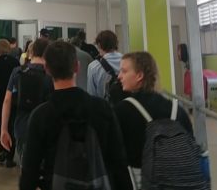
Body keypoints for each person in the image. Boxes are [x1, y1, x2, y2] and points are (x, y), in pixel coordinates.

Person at [19, 41, 133, 190]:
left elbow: (29, 171)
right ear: (77, 67)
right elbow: (119, 163)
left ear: (46, 69)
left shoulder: (40, 116)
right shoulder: (102, 108)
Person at [114, 51, 196, 188]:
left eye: (124, 71)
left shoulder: (122, 110)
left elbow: (115, 155)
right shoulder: (178, 110)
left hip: (139, 182)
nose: (119, 76)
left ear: (139, 76)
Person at [0, 38, 53, 166]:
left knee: (27, 169)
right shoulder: (51, 75)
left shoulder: (17, 72)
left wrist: (3, 129)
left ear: (31, 52)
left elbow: (7, 100)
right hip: (46, 128)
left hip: (22, 127)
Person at [0, 38, 20, 165]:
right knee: (12, 123)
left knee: (1, 123)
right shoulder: (15, 62)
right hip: (13, 96)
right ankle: (10, 155)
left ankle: (2, 150)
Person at [87, 30, 123, 99]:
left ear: (99, 45)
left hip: (103, 107)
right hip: (125, 106)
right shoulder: (128, 62)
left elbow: (92, 95)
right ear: (116, 43)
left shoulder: (93, 67)